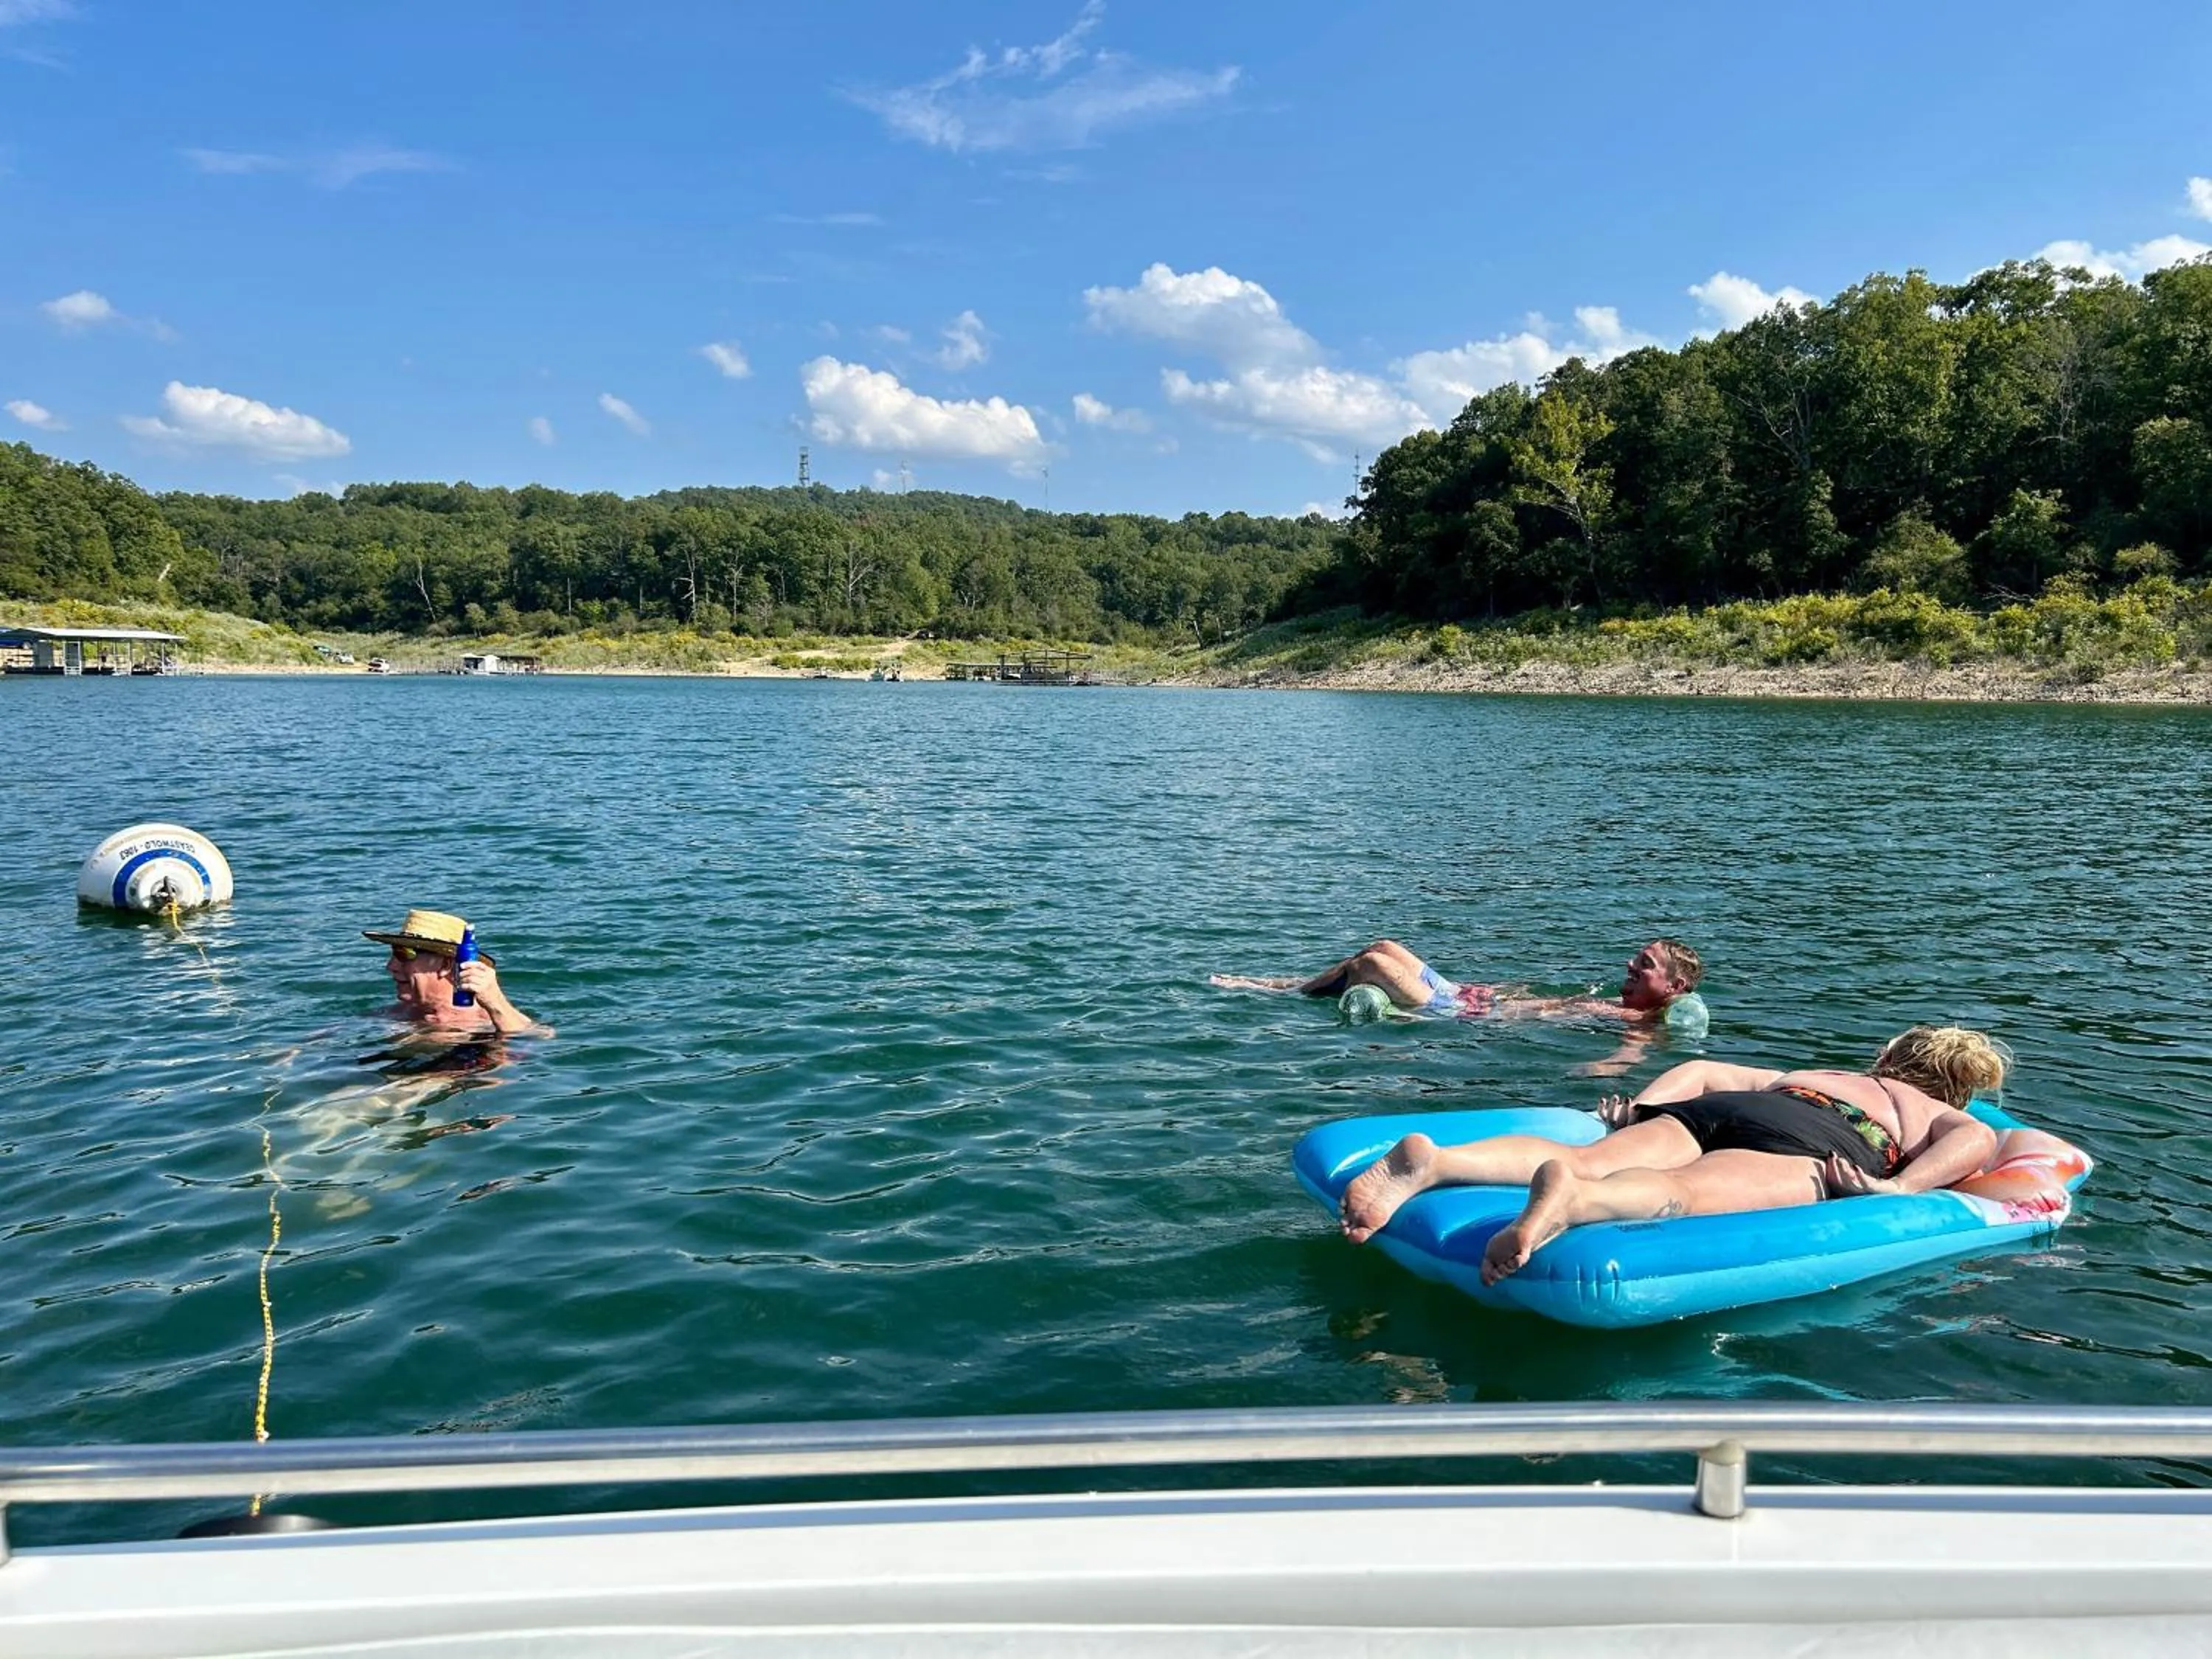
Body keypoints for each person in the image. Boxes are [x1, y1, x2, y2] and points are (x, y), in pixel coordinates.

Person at [1338, 1026, 2008, 1285]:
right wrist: (1899, 1187)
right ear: (1956, 1087)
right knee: (1685, 1194)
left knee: (1593, 1154)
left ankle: (1438, 1162)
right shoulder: (1924, 1108)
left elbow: (1704, 1066)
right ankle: (1576, 1202)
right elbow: (1976, 1142)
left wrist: (1645, 1109)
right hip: (1827, 1139)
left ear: (1888, 1058)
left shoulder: (1816, 1070)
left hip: (1743, 1107)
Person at [1213, 937, 1703, 1023]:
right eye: (1635, 960)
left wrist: (1604, 1076)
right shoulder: (1624, 1006)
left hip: (1461, 1015)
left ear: (1675, 988)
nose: (1629, 968)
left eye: (1644, 966)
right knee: (1384, 946)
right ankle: (1289, 983)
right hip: (1470, 996)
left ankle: (1271, 990)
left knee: (1374, 968)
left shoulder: (1640, 1024)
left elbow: (1629, 1055)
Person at [364, 908, 547, 1037]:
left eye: (403, 955)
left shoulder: (484, 1021)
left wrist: (496, 1002)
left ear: (446, 964)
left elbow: (537, 1038)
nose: (391, 966)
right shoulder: (392, 1015)